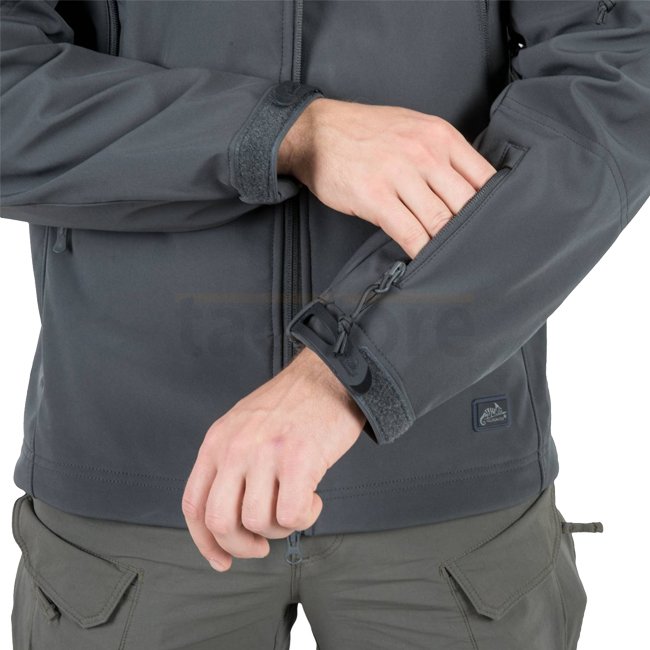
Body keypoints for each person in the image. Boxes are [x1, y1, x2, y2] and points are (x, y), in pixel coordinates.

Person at [2, 1, 648, 648]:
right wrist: (288, 134)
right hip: (130, 479)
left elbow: (614, 77)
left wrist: (356, 366)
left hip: (450, 471)